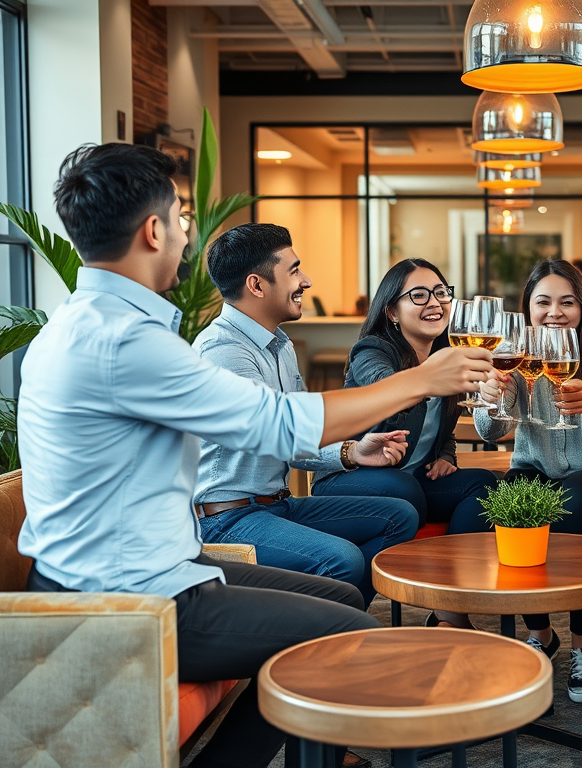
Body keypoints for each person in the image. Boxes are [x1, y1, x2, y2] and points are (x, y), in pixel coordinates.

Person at [16, 143, 492, 768]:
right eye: (182, 220)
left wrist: (356, 444)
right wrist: (423, 378)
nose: (189, 236)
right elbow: (272, 423)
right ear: (154, 230)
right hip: (126, 597)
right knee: (351, 638)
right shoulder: (122, 340)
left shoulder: (88, 324)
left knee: (343, 601)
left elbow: (278, 427)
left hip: (147, 570)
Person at [193, 223, 419, 609]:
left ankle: (330, 628)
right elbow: (276, 431)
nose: (306, 280)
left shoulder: (279, 345)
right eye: (294, 270)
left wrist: (352, 452)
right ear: (257, 285)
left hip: (275, 503)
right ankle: (319, 639)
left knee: (398, 516)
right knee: (341, 560)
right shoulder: (223, 352)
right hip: (225, 520)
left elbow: (291, 438)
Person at [476, 258, 582, 703]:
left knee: (571, 496)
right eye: (543, 302)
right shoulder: (519, 362)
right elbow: (491, 432)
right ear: (528, 309)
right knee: (512, 498)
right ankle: (541, 633)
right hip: (538, 468)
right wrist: (491, 396)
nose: (555, 312)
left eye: (567, 302)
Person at [313, 258, 499, 627]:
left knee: (483, 485)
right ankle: (339, 618)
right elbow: (383, 385)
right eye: (418, 295)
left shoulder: (446, 354)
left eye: (441, 293)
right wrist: (431, 377)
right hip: (352, 477)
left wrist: (445, 453)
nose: (434, 302)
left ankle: (448, 610)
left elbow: (443, 424)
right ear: (392, 311)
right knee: (404, 490)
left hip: (411, 481)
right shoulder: (372, 351)